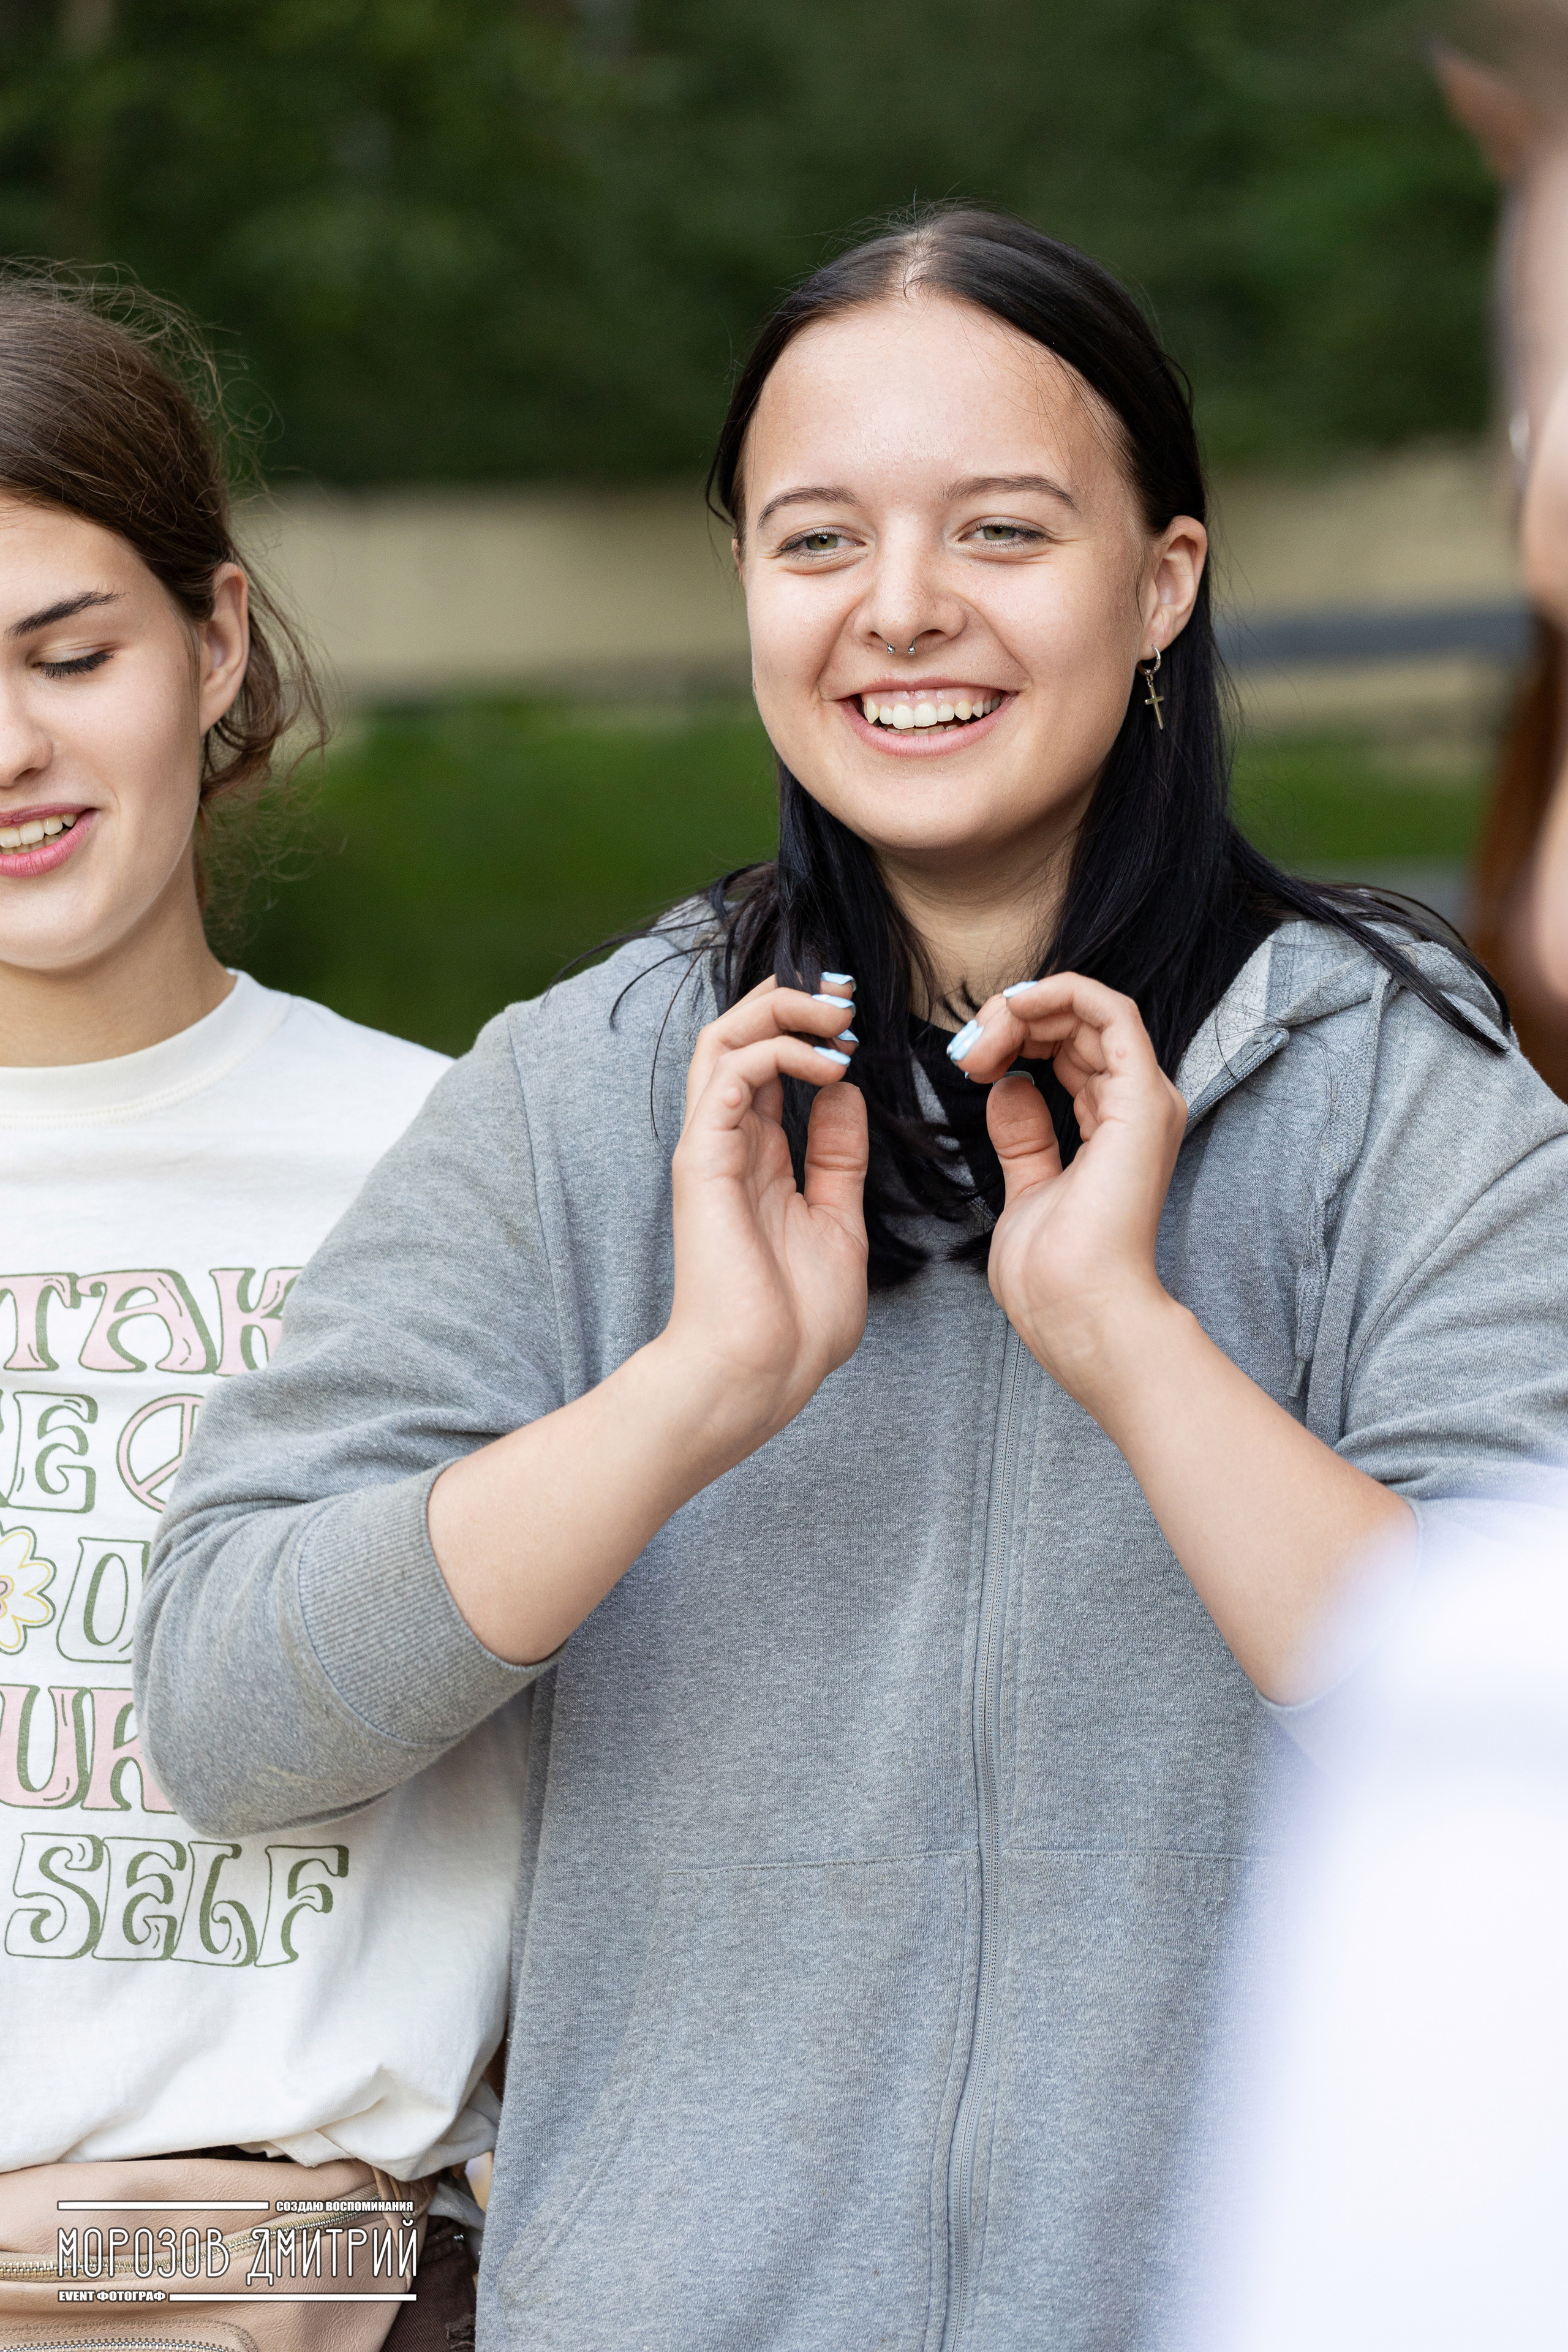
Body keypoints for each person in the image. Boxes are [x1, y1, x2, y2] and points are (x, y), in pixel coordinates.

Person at [136, 209, 1568, 2351]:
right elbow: (230, 1708)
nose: (904, 612)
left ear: (1162, 582)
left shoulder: (1401, 1092)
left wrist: (1138, 1347)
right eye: (818, 541)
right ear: (748, 590)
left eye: (1003, 530)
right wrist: (694, 1391)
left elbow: (1518, 1749)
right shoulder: (596, 1087)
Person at [0, 276, 522, 2352]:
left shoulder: (458, 1155)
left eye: (72, 652)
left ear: (216, 647)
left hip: (323, 2293)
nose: (12, 745)